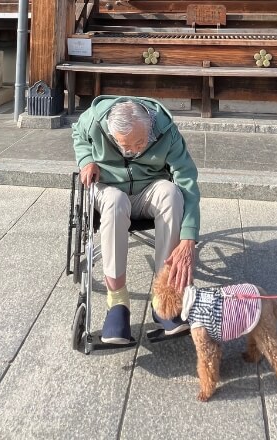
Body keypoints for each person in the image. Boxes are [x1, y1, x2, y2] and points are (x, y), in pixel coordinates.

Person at [72, 95, 200, 345]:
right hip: (109, 189)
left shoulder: (165, 131)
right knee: (116, 201)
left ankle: (164, 297)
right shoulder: (96, 120)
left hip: (147, 189)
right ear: (110, 134)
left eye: (140, 143)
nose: (133, 151)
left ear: (149, 127)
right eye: (125, 146)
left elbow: (188, 182)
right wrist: (87, 160)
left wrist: (188, 237)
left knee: (171, 193)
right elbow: (78, 133)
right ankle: (117, 302)